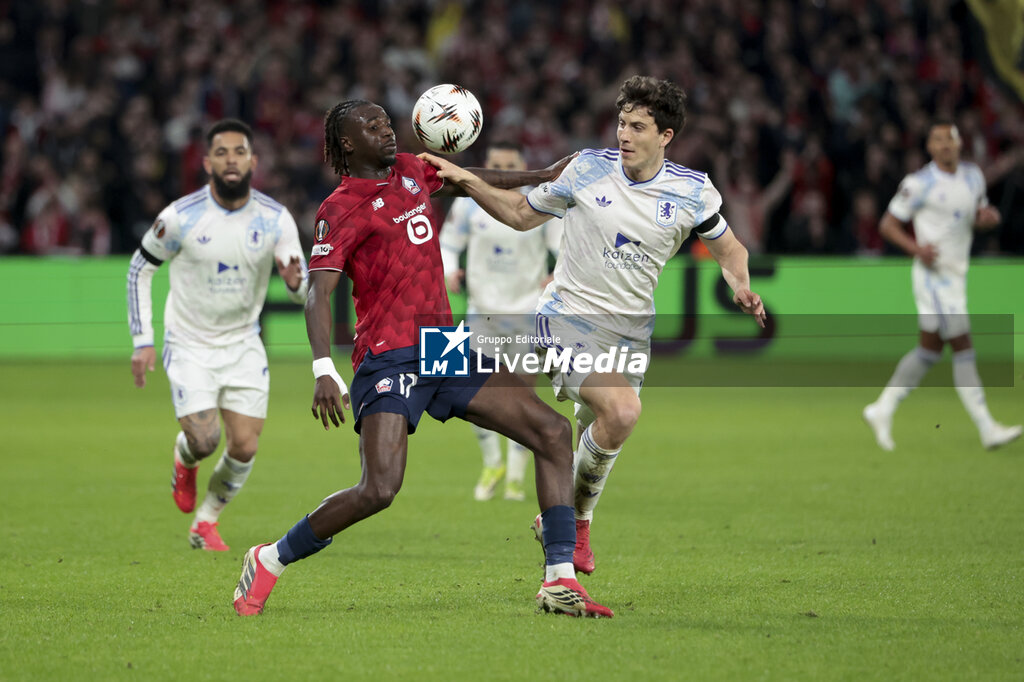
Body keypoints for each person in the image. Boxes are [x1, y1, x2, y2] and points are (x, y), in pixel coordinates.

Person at [232, 99, 613, 618]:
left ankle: (559, 579)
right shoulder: (340, 209)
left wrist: (543, 175)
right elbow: (319, 294)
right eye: (372, 127)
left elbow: (465, 177)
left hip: (444, 347)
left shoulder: (413, 169)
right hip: (389, 357)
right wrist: (324, 369)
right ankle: (270, 558)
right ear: (347, 143)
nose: (387, 131)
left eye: (388, 122)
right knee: (379, 489)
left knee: (550, 432)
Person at [421, 75, 767, 576]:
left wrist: (740, 284)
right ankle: (574, 529)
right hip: (565, 318)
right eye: (622, 123)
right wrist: (469, 182)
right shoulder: (587, 168)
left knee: (602, 430)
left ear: (665, 136)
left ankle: (564, 521)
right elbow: (520, 215)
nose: (624, 135)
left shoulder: (693, 191)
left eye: (638, 127)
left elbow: (730, 249)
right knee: (624, 412)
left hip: (629, 332)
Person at [127, 118, 308, 551]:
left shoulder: (275, 219)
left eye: (240, 152)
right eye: (222, 152)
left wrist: (296, 284)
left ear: (254, 161)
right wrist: (142, 340)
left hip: (243, 342)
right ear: (207, 162)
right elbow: (140, 269)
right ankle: (184, 458)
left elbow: (305, 292)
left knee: (244, 446)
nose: (232, 160)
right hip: (189, 343)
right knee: (205, 441)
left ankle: (205, 522)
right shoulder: (180, 217)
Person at [862, 121, 1021, 451]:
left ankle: (882, 408)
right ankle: (987, 427)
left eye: (950, 139)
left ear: (960, 144)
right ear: (930, 148)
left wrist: (985, 219)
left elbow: (969, 217)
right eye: (937, 140)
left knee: (929, 351)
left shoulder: (973, 177)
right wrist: (916, 248)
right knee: (963, 346)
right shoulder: (919, 183)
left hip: (956, 274)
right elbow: (888, 225)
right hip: (933, 278)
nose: (944, 145)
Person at [440, 141, 562, 502]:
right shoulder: (467, 204)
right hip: (482, 309)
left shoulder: (539, 205)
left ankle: (515, 478)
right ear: (488, 165)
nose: (505, 171)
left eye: (511, 164)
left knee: (524, 395)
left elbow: (565, 247)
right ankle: (492, 463)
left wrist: (556, 275)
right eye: (498, 164)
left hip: (527, 310)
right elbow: (446, 243)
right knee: (475, 394)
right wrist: (449, 269)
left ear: (522, 166)